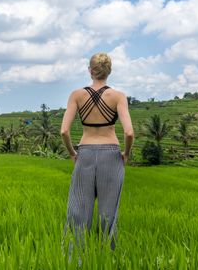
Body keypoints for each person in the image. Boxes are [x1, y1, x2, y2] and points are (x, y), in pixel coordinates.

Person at [61, 52, 134, 256]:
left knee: (78, 212)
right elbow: (129, 132)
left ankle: (74, 260)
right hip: (111, 155)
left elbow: (64, 131)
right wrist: (126, 154)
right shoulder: (118, 97)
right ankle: (105, 259)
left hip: (84, 153)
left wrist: (72, 154)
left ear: (90, 70)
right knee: (108, 215)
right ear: (109, 72)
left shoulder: (76, 95)